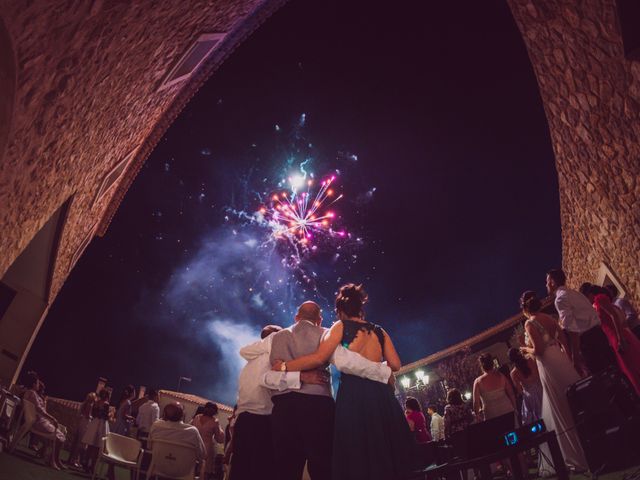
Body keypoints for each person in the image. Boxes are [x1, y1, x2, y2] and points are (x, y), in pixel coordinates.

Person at [271, 286, 415, 480]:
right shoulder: (380, 331)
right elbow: (395, 364)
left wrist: (284, 366)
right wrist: (380, 369)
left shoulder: (339, 327)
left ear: (340, 311)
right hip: (381, 395)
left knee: (359, 452)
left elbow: (318, 358)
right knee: (384, 450)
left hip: (354, 394)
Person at [520, 291, 588, 474]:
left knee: (560, 405)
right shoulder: (549, 318)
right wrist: (570, 358)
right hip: (560, 357)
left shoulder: (530, 323)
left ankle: (576, 455)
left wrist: (526, 349)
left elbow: (539, 350)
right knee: (574, 399)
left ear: (526, 309)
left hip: (548, 364)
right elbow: (563, 339)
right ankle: (589, 442)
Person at [546, 269, 616, 375]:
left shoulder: (560, 299)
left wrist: (576, 359)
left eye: (547, 282)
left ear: (552, 282)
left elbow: (572, 329)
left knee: (603, 378)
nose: (546, 285)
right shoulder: (575, 293)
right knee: (614, 372)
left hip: (589, 343)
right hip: (600, 335)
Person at [592, 287, 640, 395]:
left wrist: (620, 338)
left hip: (617, 337)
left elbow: (614, 316)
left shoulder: (599, 299)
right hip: (616, 337)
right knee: (632, 366)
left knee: (632, 366)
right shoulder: (601, 305)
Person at [21, 372, 66, 470]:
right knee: (60, 438)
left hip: (41, 422)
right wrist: (52, 418)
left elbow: (40, 409)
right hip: (39, 423)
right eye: (37, 383)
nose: (38, 385)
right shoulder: (32, 393)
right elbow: (39, 409)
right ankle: (53, 460)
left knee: (61, 435)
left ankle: (54, 459)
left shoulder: (32, 394)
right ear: (34, 384)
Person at [472, 353, 516, 423]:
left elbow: (476, 403)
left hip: (491, 415)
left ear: (482, 366)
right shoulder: (501, 376)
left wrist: (477, 415)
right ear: (492, 364)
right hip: (507, 410)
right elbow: (511, 393)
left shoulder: (478, 382)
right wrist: (515, 408)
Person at [508, 347, 543, 425]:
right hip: (541, 388)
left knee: (537, 419)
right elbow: (539, 374)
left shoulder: (513, 373)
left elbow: (519, 390)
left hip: (530, 396)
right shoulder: (530, 360)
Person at [191, 402, 225, 478]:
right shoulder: (215, 421)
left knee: (191, 471)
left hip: (194, 446)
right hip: (207, 449)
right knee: (204, 473)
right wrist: (221, 430)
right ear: (215, 412)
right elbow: (219, 439)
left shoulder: (197, 417)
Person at [82, 389, 111, 473]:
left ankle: (86, 463)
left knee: (91, 445)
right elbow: (105, 416)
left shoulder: (96, 402)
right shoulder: (106, 404)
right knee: (97, 446)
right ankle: (92, 466)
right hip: (101, 424)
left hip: (94, 423)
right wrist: (110, 414)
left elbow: (94, 414)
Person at [69, 392, 96, 468]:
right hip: (85, 423)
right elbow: (88, 416)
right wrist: (92, 418)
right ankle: (74, 460)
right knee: (81, 443)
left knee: (76, 441)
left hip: (80, 423)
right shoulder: (90, 405)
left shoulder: (83, 403)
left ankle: (71, 459)